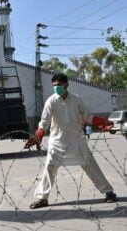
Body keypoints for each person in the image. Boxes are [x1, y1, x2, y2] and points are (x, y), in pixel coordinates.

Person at [25, 73, 117, 209]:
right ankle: (42, 198)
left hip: (76, 139)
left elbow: (88, 116)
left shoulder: (76, 100)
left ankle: (108, 192)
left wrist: (103, 123)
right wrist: (38, 136)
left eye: (59, 85)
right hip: (57, 141)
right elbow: (44, 122)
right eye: (54, 86)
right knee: (50, 167)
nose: (56, 88)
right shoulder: (51, 101)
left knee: (90, 164)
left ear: (66, 84)